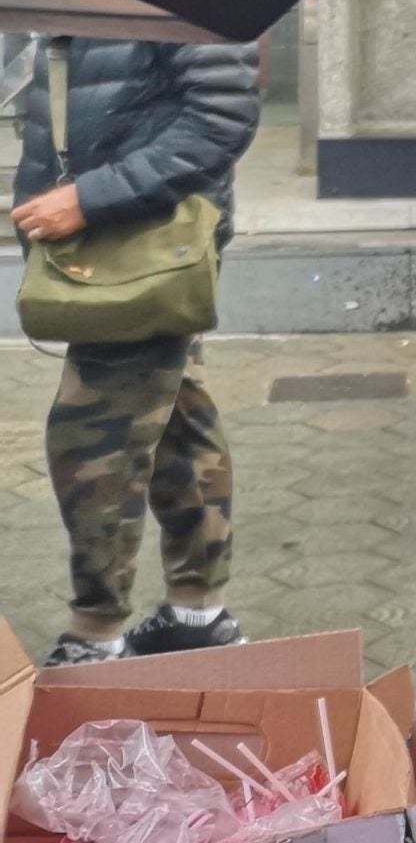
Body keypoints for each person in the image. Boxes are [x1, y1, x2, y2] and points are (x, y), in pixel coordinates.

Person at [11, 36, 259, 666]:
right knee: (178, 424)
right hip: (116, 242)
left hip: (140, 245)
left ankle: (95, 638)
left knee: (93, 439)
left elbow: (222, 115)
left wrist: (90, 198)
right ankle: (196, 615)